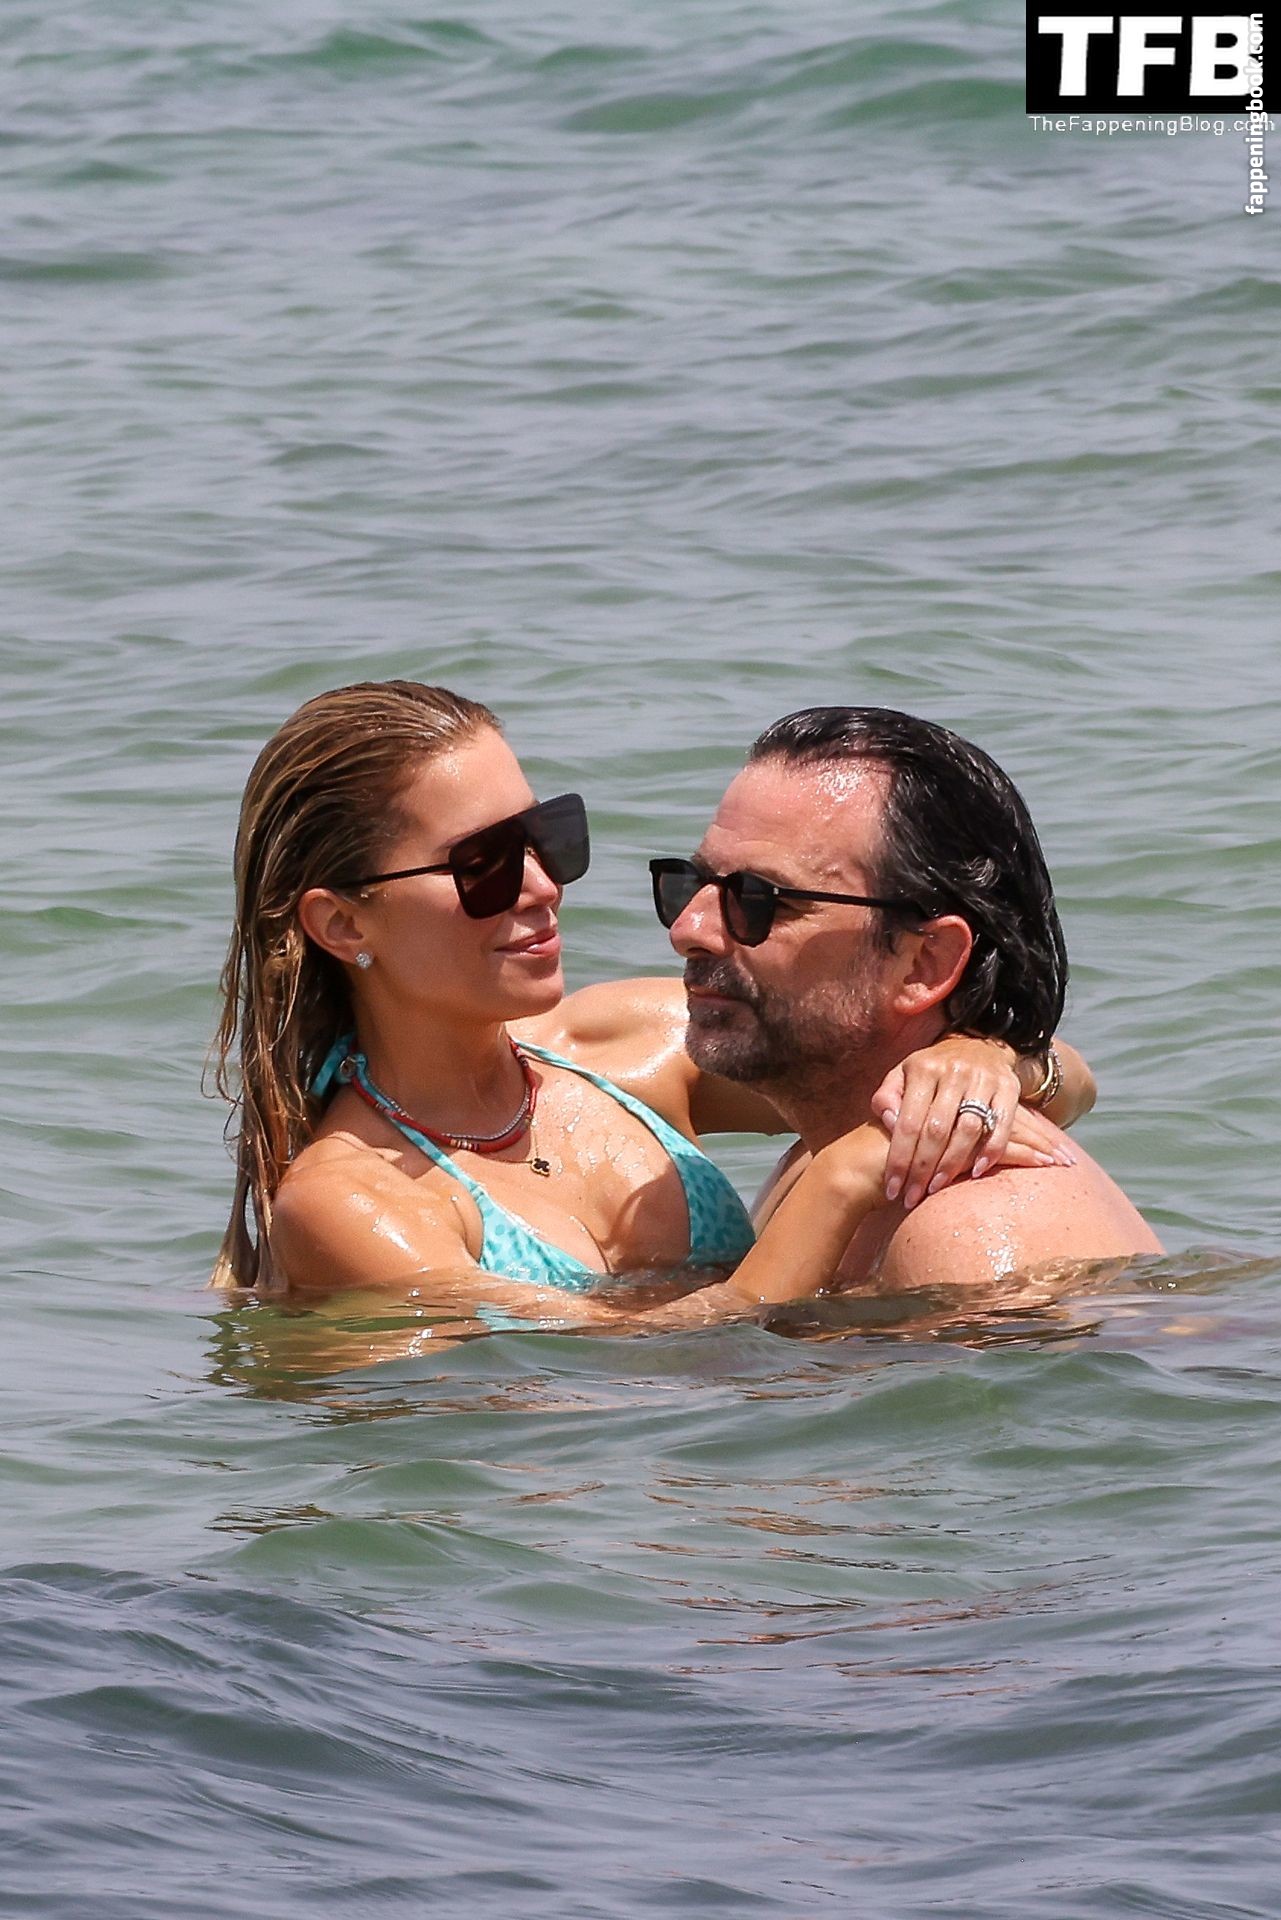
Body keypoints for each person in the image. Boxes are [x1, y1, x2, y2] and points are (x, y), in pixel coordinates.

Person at [209, 682, 1090, 1328]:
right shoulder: (349, 1206)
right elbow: (637, 1373)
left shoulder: (622, 1046)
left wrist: (978, 1062)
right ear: (342, 923)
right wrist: (838, 1182)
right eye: (483, 866)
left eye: (544, 839)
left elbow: (1027, 1073)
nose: (542, 885)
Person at [653, 705, 1162, 1296]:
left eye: (760, 899)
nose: (688, 929)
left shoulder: (969, 1235)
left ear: (925, 963)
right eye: (696, 883)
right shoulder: (821, 1158)